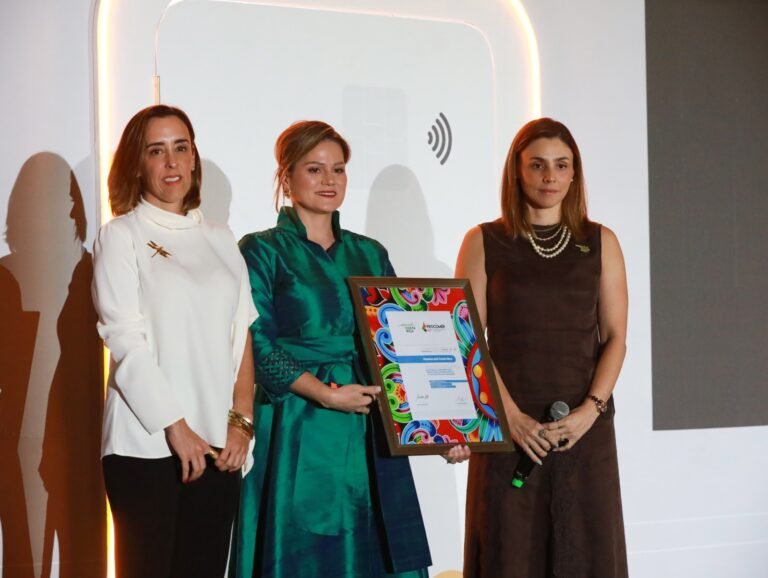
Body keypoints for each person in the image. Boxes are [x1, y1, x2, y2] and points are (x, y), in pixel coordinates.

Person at [232, 120, 469, 578]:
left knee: (375, 545)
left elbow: (403, 345)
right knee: (305, 553)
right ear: (286, 177)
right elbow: (256, 340)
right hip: (299, 421)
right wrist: (324, 393)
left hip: (370, 423)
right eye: (314, 169)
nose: (329, 180)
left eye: (338, 169)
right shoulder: (262, 250)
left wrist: (443, 428)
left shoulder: (371, 253)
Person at [457, 117, 629, 577]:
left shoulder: (601, 242)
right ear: (517, 171)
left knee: (586, 556)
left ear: (574, 173)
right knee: (510, 555)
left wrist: (590, 410)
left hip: (584, 430)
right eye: (537, 164)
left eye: (561, 164)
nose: (550, 176)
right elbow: (467, 340)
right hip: (509, 430)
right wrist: (511, 418)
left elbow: (615, 337)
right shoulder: (483, 241)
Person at [92, 104, 257, 578]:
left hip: (219, 446)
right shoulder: (121, 236)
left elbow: (241, 334)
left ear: (193, 158)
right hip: (145, 446)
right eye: (156, 150)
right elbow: (125, 339)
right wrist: (175, 427)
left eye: (181, 148)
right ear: (136, 164)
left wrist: (241, 423)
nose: (171, 162)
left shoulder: (221, 237)